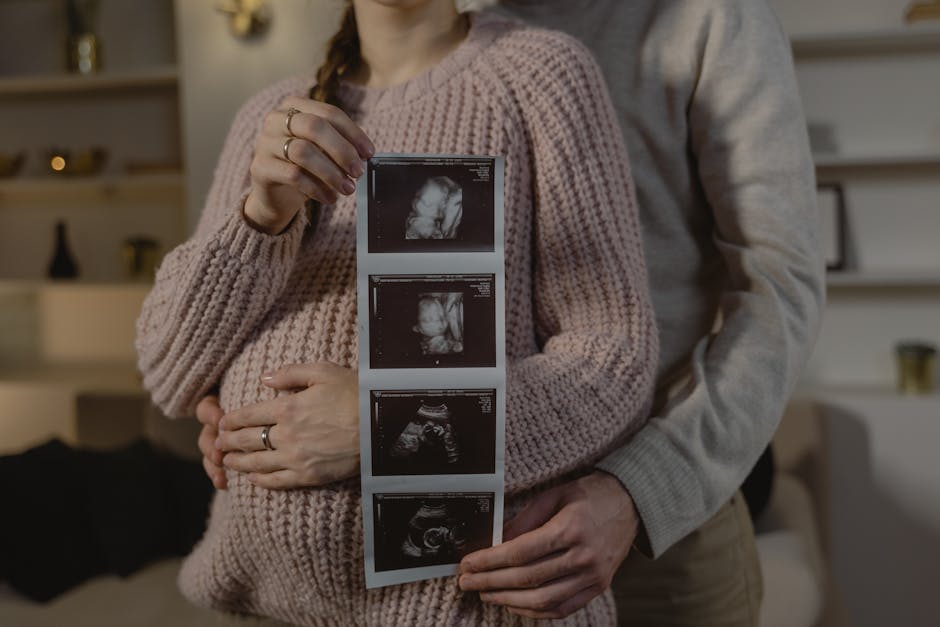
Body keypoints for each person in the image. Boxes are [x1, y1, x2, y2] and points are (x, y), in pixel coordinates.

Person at [137, 0, 658, 624]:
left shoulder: (539, 75)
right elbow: (169, 373)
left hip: (475, 609)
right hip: (269, 606)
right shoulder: (275, 114)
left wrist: (388, 427)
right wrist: (261, 215)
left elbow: (615, 356)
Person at [449, 0, 825, 625]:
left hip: (656, 532)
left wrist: (640, 489)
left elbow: (779, 289)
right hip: (458, 531)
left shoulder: (713, 15)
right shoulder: (432, 18)